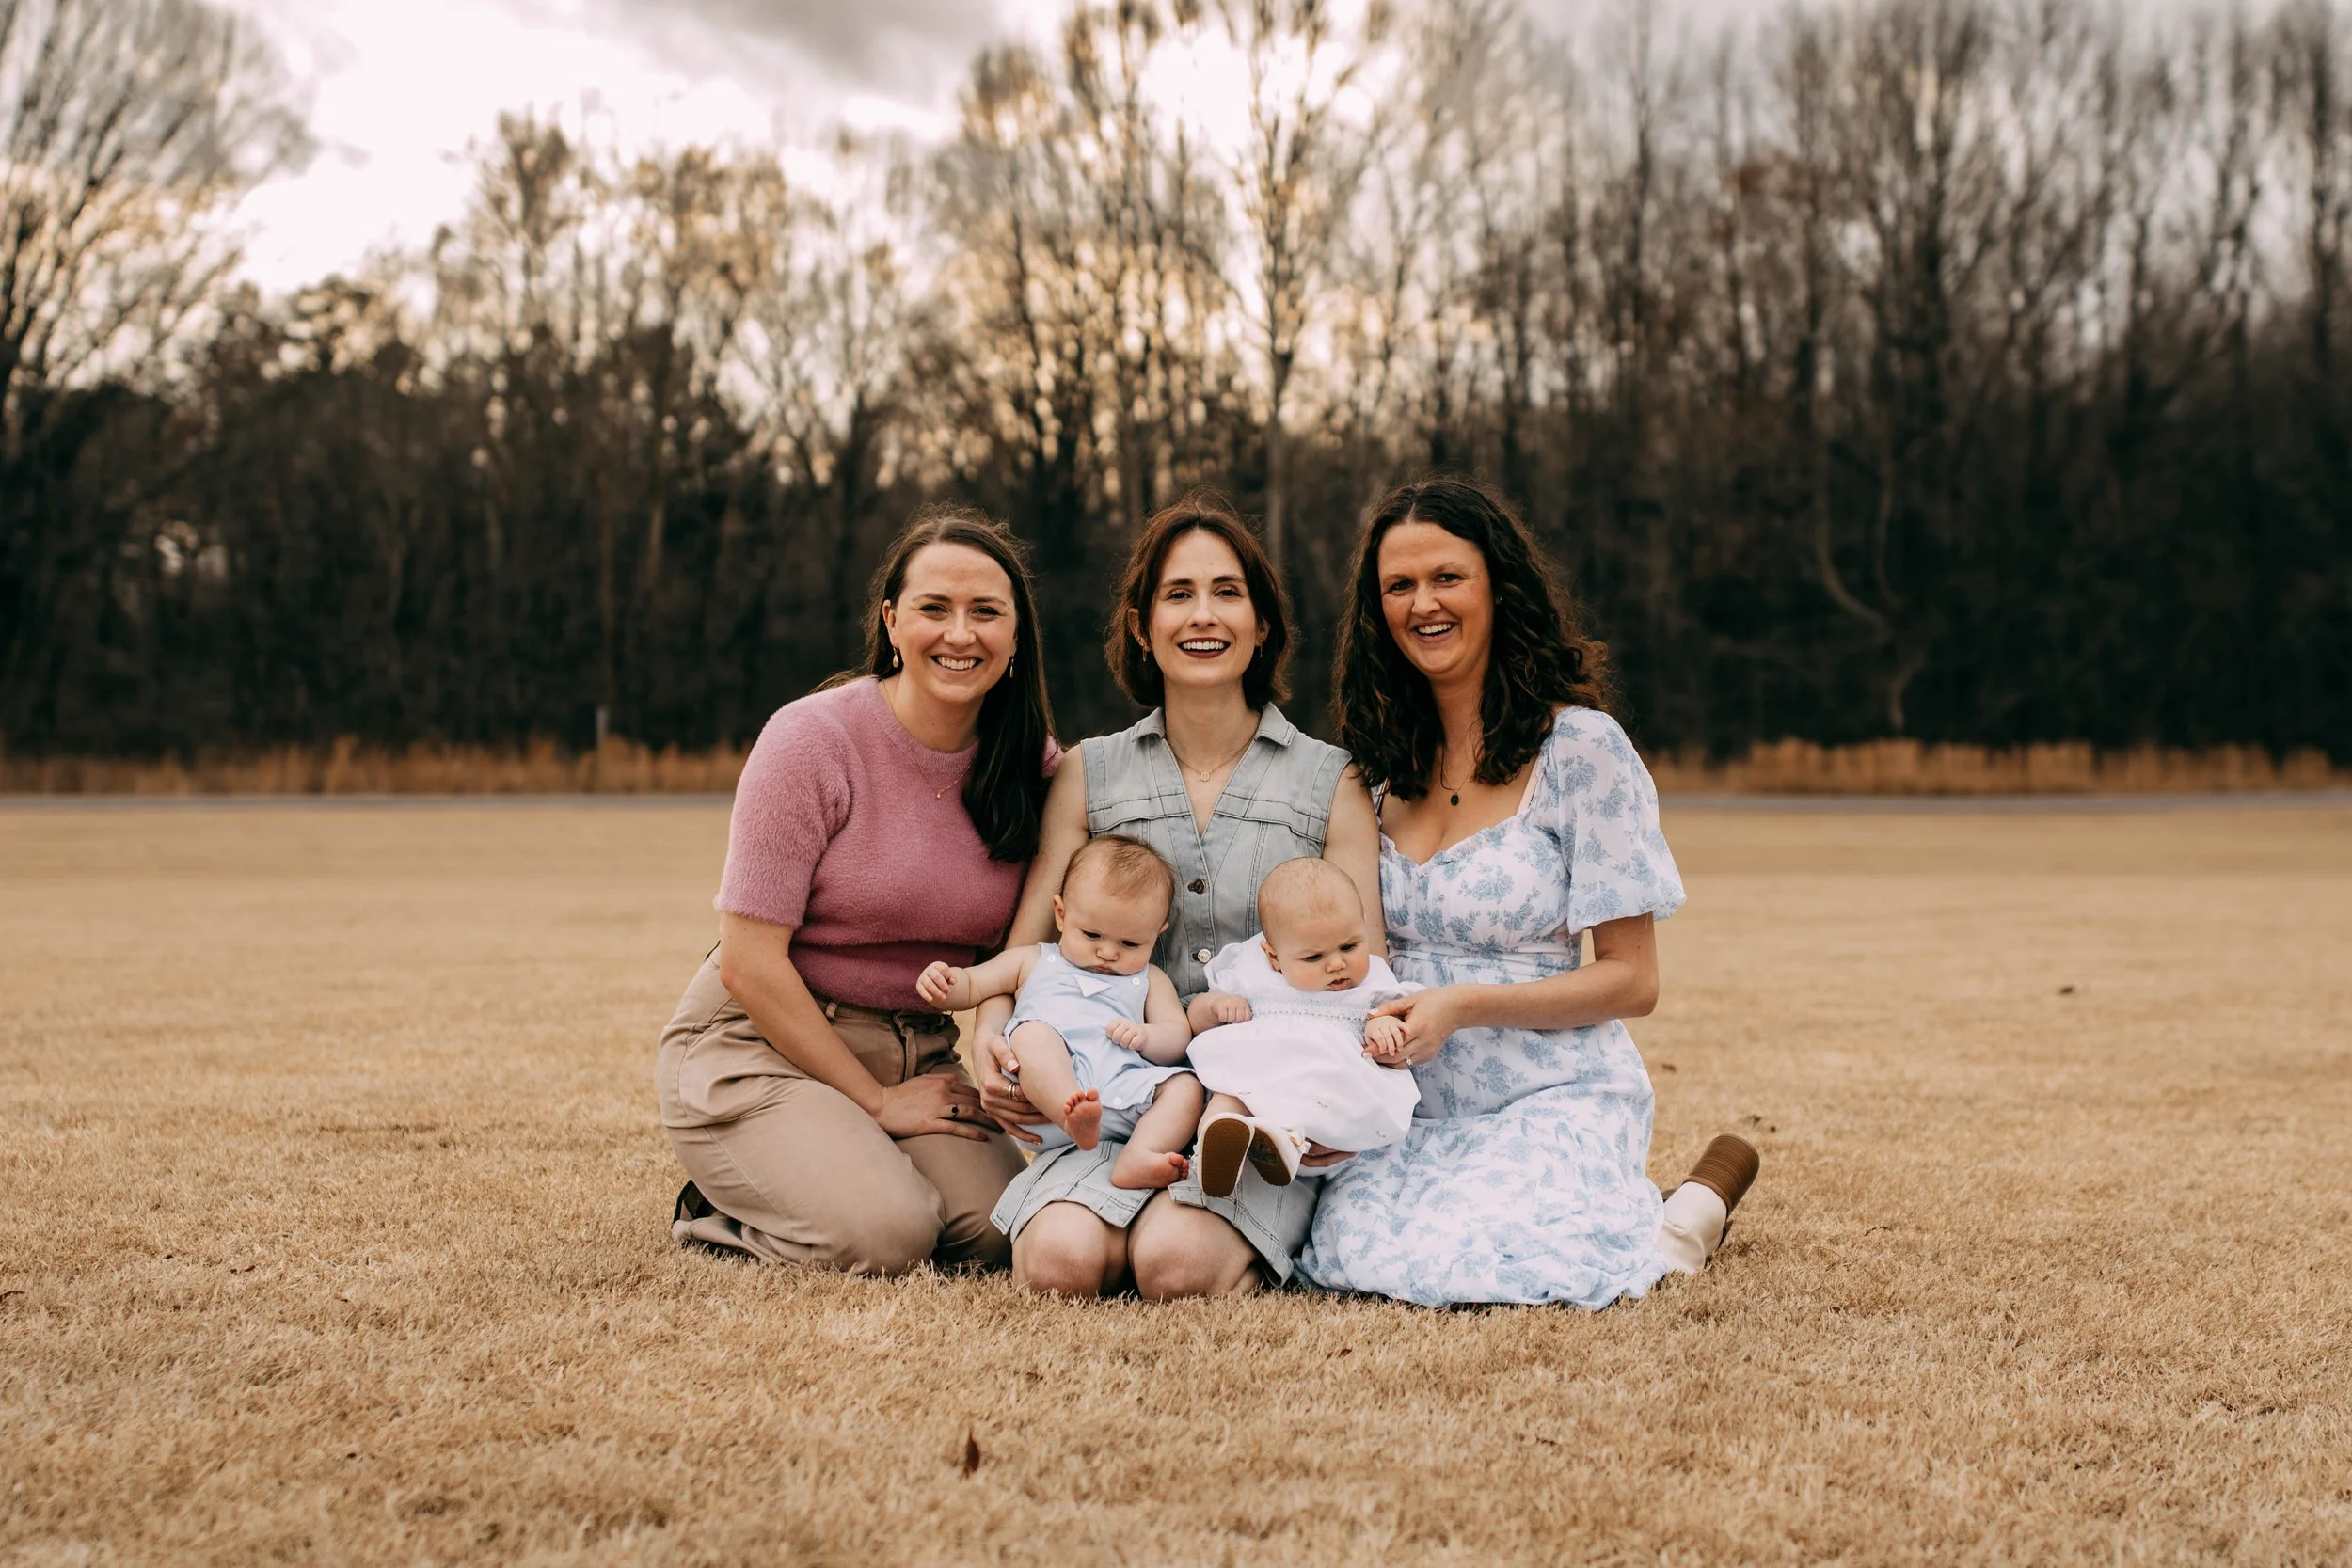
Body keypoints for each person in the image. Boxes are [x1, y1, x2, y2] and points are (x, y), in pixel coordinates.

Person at [1297, 474, 1759, 1308]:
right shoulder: (1369, 768)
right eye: (1398, 586)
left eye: (1447, 577)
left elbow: (1633, 980)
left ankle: (1689, 1213)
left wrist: (1462, 1005)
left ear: (1498, 588)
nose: (1422, 604)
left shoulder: (1582, 752)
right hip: (1409, 1105)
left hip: (1554, 1091)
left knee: (1503, 1263)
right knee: (1354, 1255)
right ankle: (1680, 1209)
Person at [976, 494, 1384, 1299]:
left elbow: (1365, 970)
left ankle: (1208, 1226)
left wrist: (1342, 1100)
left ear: (1263, 623)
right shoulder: (1089, 773)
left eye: (1228, 592)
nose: (1205, 615)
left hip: (1258, 1113)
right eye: (1179, 593)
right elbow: (1029, 941)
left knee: (1174, 1267)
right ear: (1141, 623)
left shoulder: (1330, 779)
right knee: (1057, 1265)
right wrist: (991, 1037)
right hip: (1111, 1098)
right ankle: (1098, 1208)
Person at [654, 505, 1053, 1275]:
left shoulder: (1031, 766)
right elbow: (748, 961)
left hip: (921, 1052)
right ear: (892, 621)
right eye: (934, 608)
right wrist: (875, 1104)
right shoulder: (812, 740)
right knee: (887, 1236)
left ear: (1016, 634)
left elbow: (1034, 948)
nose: (960, 634)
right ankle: (719, 1209)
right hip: (764, 1044)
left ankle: (847, 1165)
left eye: (986, 612)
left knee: (1007, 1231)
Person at [915, 835, 1204, 1191]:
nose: (1108, 953)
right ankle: (1072, 1117)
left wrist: (1147, 1036)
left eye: (1130, 943)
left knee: (1186, 1086)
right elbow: (974, 985)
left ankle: (1140, 1154)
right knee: (1032, 1032)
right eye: (1092, 934)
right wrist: (945, 984)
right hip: (1044, 1102)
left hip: (1123, 1093)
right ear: (1061, 914)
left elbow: (1177, 1036)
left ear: (1157, 933)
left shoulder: (1149, 980)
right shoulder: (1035, 960)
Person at [1184, 857, 1422, 1196]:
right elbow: (1196, 1018)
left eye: (1350, 946)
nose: (1337, 964)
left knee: (1309, 1104)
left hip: (1328, 1088)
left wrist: (1383, 1025)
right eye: (1314, 957)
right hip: (1259, 1072)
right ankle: (1216, 1142)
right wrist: (1215, 1006)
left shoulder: (1373, 979)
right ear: (1274, 957)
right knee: (1230, 1093)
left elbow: (1397, 1013)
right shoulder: (1250, 969)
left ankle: (1282, 1145)